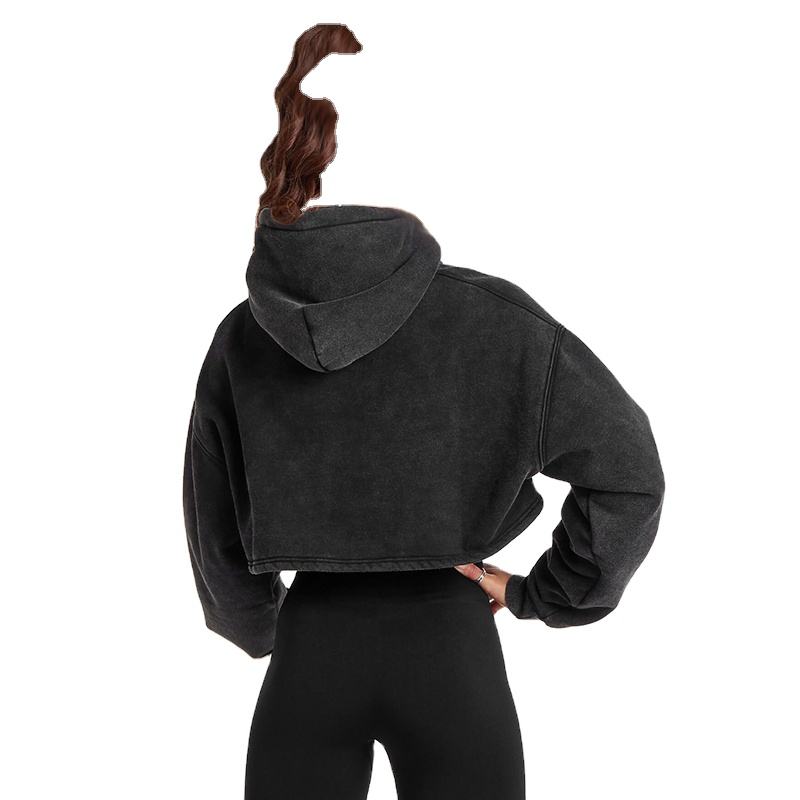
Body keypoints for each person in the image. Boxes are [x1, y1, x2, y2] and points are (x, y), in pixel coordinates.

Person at [182, 23, 666, 800]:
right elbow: (629, 471)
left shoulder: (243, 336)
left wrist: (256, 624)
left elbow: (212, 520)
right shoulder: (497, 320)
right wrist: (547, 591)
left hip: (312, 647)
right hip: (450, 641)